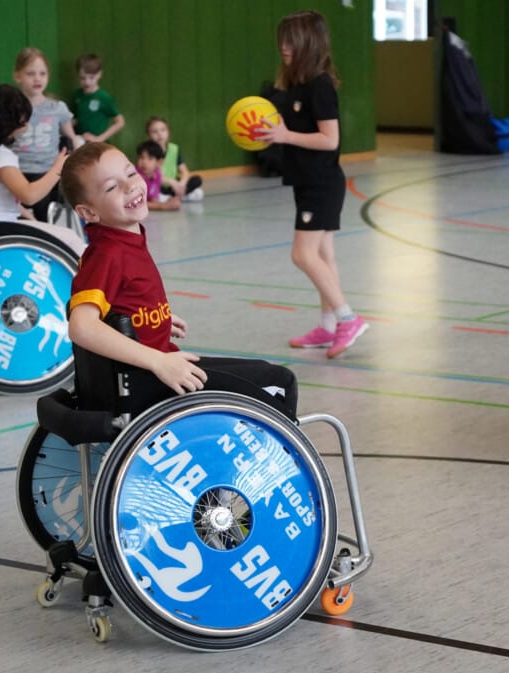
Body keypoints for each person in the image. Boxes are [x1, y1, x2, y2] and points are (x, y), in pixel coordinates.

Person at [61, 141, 298, 420]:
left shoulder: (122, 240)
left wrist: (149, 319)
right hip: (151, 380)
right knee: (278, 382)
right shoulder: (108, 252)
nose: (129, 186)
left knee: (262, 372)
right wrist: (158, 360)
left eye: (131, 173)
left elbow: (120, 301)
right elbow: (82, 326)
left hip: (154, 368)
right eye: (112, 187)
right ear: (89, 213)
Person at [256, 10, 367, 359]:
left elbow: (329, 139)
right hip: (306, 181)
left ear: (308, 43)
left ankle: (348, 318)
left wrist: (285, 134)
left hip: (322, 183)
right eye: (281, 41)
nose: (284, 47)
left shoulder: (320, 85)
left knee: (302, 254)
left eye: (291, 41)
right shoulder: (295, 85)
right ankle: (328, 326)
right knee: (323, 255)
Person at [0, 84, 84, 254]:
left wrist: (33, 221)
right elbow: (29, 195)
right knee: (71, 239)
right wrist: (59, 167)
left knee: (58, 234)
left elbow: (6, 202)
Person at [11, 47, 78, 221]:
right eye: (31, 74)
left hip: (48, 172)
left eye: (42, 73)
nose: (37, 78)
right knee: (17, 216)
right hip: (17, 172)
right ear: (18, 76)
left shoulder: (57, 108)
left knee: (45, 212)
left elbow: (71, 139)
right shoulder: (11, 108)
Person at [145, 116, 203, 201]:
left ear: (168, 132)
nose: (159, 134)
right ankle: (176, 197)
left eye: (163, 130)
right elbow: (149, 175)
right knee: (152, 191)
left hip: (174, 187)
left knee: (197, 182)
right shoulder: (147, 152)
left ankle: (174, 196)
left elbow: (184, 171)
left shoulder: (173, 149)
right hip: (158, 186)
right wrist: (170, 182)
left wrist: (181, 184)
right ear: (149, 135)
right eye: (154, 132)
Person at [71, 53, 125, 144]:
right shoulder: (77, 95)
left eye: (91, 78)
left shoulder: (103, 97)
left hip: (99, 145)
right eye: (82, 78)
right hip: (82, 143)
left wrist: (100, 138)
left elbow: (120, 122)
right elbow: (77, 119)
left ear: (99, 74)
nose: (87, 82)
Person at [135, 140, 181, 211]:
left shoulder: (157, 174)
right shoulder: (135, 176)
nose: (144, 162)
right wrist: (162, 206)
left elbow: (154, 198)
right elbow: (137, 203)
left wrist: (169, 203)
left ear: (159, 162)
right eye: (141, 157)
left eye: (150, 158)